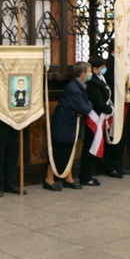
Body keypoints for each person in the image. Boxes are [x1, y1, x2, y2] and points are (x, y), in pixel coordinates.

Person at [43, 61, 93, 191]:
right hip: (63, 125)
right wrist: (89, 106)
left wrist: (87, 104)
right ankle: (49, 180)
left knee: (69, 151)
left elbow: (85, 103)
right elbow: (85, 108)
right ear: (82, 74)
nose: (90, 74)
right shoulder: (73, 88)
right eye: (89, 71)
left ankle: (68, 178)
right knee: (58, 151)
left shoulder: (81, 85)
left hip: (70, 124)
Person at [80, 55, 114, 187]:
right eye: (101, 67)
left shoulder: (100, 78)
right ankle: (85, 176)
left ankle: (88, 174)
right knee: (90, 146)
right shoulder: (93, 82)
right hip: (94, 116)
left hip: (100, 116)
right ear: (94, 69)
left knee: (92, 145)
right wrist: (110, 110)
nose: (104, 69)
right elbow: (98, 102)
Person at [103, 53, 130, 178]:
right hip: (114, 104)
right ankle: (110, 167)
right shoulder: (109, 63)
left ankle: (119, 165)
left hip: (125, 104)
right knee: (113, 136)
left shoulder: (125, 62)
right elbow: (111, 82)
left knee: (123, 137)